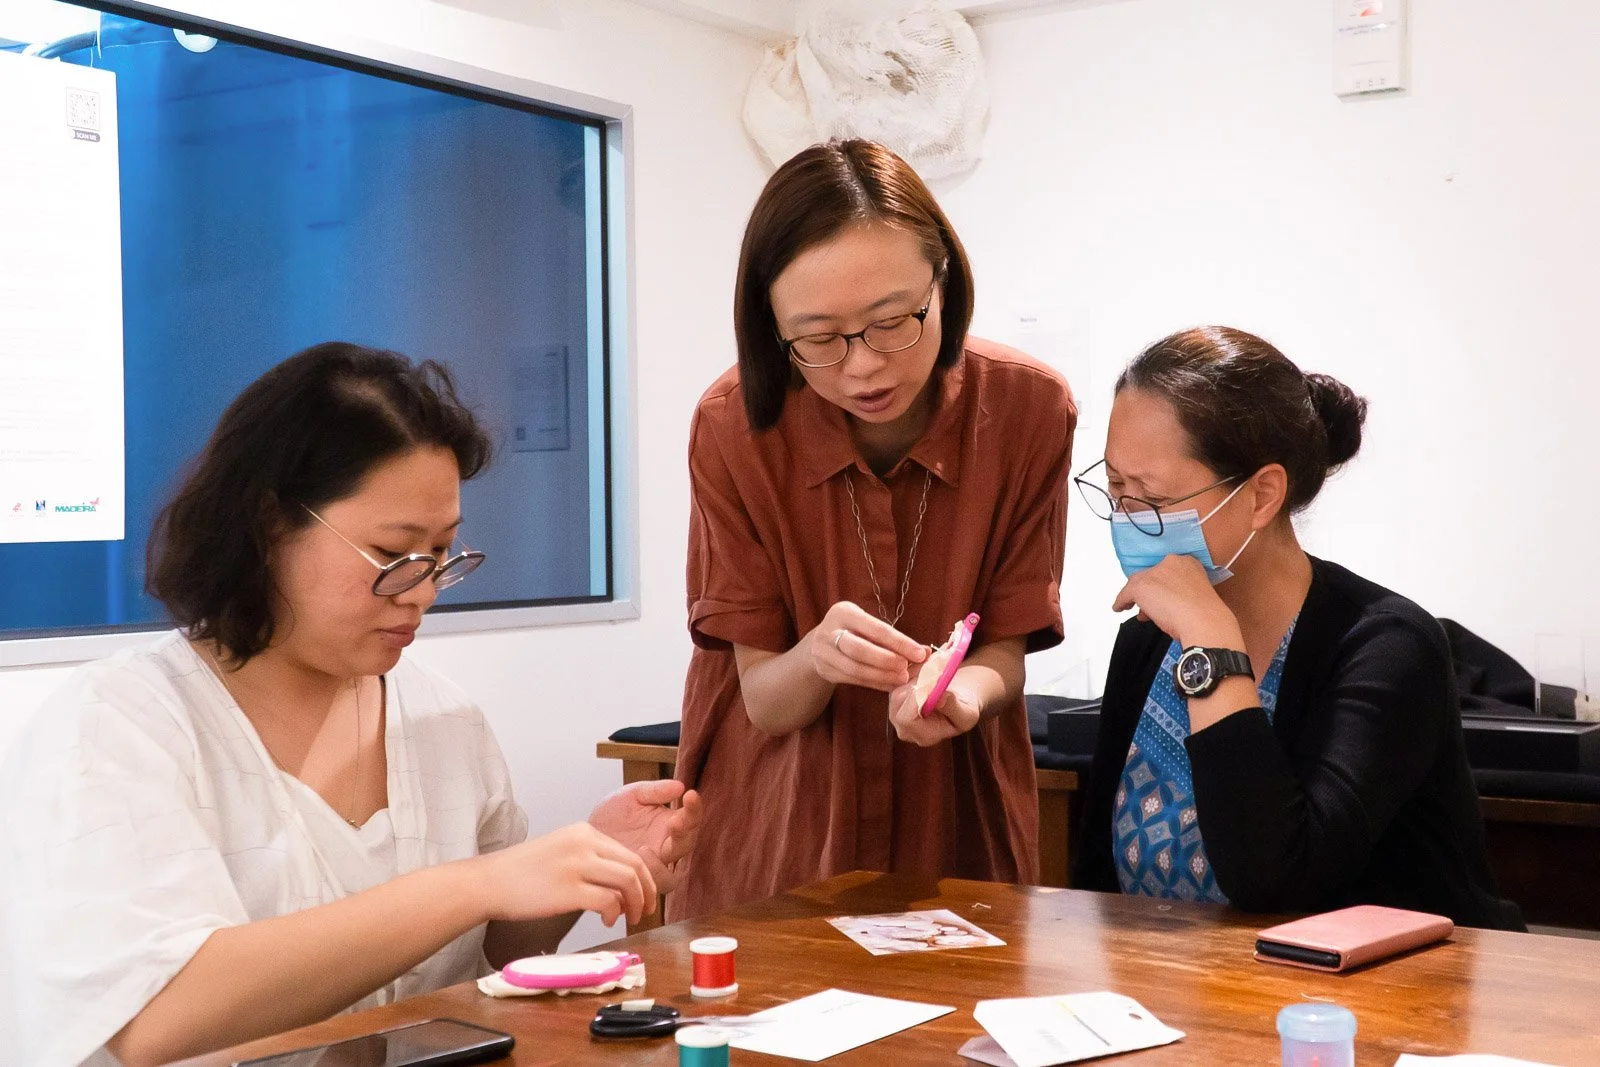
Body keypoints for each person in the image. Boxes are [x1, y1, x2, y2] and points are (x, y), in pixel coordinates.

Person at [0, 343, 703, 1067]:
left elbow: (496, 945)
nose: (423, 591)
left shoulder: (444, 719)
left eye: (442, 555)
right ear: (270, 524)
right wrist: (472, 883)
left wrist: (579, 873)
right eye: (393, 554)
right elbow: (155, 1016)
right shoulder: (115, 726)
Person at [673, 140, 1077, 919]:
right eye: (819, 338)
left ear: (945, 282)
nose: (863, 368)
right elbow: (764, 699)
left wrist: (963, 692)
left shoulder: (1027, 411)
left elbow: (1007, 648)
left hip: (953, 816)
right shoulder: (733, 428)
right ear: (772, 325)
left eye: (894, 322)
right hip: (782, 820)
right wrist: (820, 655)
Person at [1070, 326, 1522, 930]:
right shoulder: (1148, 640)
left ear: (1261, 495)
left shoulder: (1389, 646)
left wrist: (1211, 642)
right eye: (1116, 489)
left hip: (1371, 1009)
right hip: (1176, 1003)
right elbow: (1100, 885)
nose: (1126, 521)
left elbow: (1277, 878)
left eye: (1149, 498)